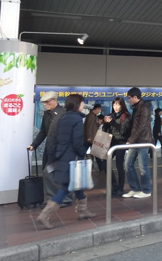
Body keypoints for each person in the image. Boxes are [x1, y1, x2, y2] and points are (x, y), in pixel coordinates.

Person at [36, 93, 96, 229]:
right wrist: (83, 152)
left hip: (63, 157)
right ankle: (44, 215)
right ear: (77, 105)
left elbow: (57, 139)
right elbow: (77, 142)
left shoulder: (63, 118)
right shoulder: (76, 120)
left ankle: (83, 210)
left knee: (78, 185)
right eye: (81, 103)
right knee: (66, 188)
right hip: (73, 159)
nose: (83, 105)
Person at [27, 91, 72, 208]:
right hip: (51, 149)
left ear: (54, 100)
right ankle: (54, 198)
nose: (45, 105)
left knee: (57, 174)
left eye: (47, 102)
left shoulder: (64, 113)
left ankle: (65, 198)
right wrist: (34, 145)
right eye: (43, 103)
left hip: (61, 151)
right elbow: (43, 132)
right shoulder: (47, 114)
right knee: (49, 174)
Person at [123, 87, 153, 198]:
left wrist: (130, 140)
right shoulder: (136, 107)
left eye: (129, 98)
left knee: (143, 167)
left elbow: (141, 127)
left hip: (143, 141)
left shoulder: (144, 108)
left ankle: (146, 191)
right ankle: (135, 188)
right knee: (128, 164)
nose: (129, 100)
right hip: (135, 141)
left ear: (135, 97)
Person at [103, 97, 132, 197]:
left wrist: (112, 122)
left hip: (121, 142)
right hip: (111, 142)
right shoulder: (111, 115)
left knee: (119, 165)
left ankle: (120, 188)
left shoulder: (126, 116)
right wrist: (105, 123)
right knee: (105, 163)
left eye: (118, 104)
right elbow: (105, 129)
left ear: (122, 105)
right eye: (114, 104)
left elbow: (123, 131)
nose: (115, 107)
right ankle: (114, 186)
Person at [84, 103, 105, 172]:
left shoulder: (93, 116)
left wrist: (99, 123)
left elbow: (93, 126)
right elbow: (89, 127)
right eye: (99, 110)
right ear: (97, 109)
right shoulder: (91, 116)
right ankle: (101, 169)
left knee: (96, 153)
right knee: (96, 154)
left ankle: (100, 168)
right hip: (91, 138)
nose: (99, 112)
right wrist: (89, 137)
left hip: (92, 137)